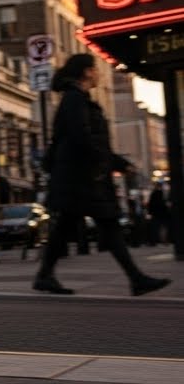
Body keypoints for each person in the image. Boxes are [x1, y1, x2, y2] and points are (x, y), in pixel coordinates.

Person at [33, 54, 170, 297]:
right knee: (104, 226)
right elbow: (81, 137)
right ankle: (136, 279)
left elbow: (89, 140)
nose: (98, 73)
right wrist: (103, 162)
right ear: (86, 72)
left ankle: (45, 275)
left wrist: (117, 163)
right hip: (81, 177)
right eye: (95, 69)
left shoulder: (78, 100)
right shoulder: (74, 99)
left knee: (74, 227)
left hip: (81, 175)